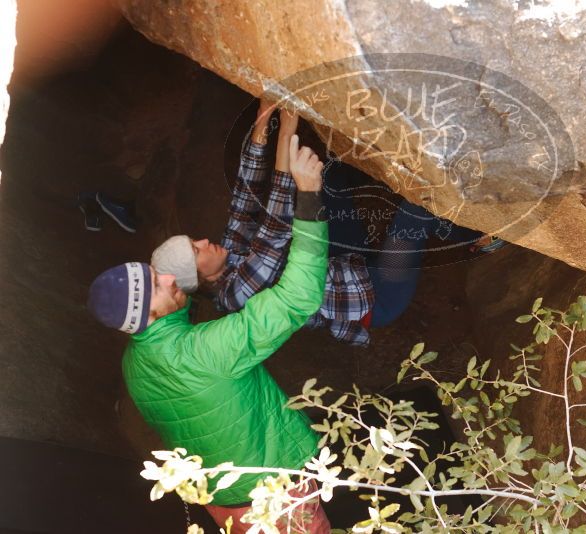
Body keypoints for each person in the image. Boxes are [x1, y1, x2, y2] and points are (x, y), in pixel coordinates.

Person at [87, 136, 331, 534]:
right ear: (147, 314)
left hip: (222, 501)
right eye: (158, 284)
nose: (168, 277)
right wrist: (309, 197)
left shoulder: (134, 365)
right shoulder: (205, 350)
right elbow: (298, 297)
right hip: (275, 495)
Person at [152, 99, 499, 347]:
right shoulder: (238, 294)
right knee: (413, 211)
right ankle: (475, 238)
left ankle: (389, 174)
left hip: (343, 262)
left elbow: (245, 198)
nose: (202, 241)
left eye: (193, 240)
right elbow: (274, 228)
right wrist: (287, 129)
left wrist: (263, 121)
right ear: (202, 278)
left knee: (329, 175)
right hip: (374, 298)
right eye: (195, 250)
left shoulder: (228, 255)